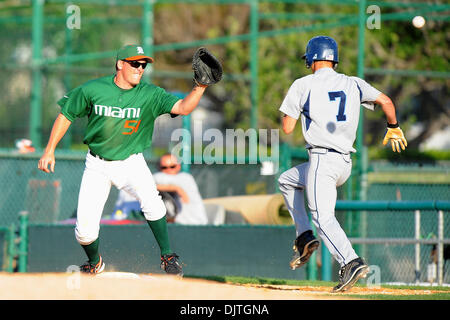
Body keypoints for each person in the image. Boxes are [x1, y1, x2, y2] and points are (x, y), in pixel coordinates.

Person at [38, 44, 219, 276]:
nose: (140, 68)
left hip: (131, 162)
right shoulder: (93, 89)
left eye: (143, 64)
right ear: (120, 64)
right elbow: (66, 114)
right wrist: (49, 150)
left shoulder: (150, 94)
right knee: (84, 233)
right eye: (135, 63)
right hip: (97, 164)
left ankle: (167, 256)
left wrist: (200, 87)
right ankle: (95, 263)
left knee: (153, 204)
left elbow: (183, 108)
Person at [277, 36, 407, 292]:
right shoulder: (353, 83)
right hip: (344, 163)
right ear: (333, 59)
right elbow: (387, 102)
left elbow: (287, 128)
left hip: (322, 161)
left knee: (323, 218)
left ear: (312, 59)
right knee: (287, 180)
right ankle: (304, 236)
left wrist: (294, 110)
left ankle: (350, 261)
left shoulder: (303, 84)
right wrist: (394, 127)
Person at [153, 153, 208, 225]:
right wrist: (175, 188)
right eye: (164, 167)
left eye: (172, 166)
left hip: (196, 226)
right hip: (179, 226)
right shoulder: (163, 182)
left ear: (178, 166)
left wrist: (174, 188)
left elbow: (150, 182)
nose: (168, 170)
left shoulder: (185, 177)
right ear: (160, 168)